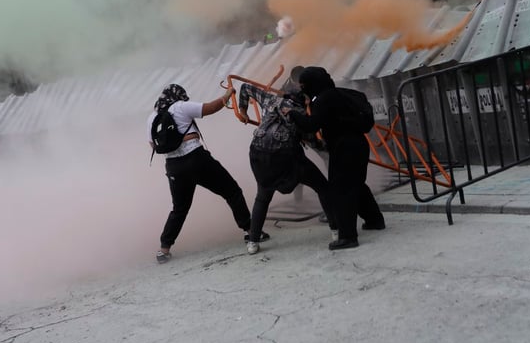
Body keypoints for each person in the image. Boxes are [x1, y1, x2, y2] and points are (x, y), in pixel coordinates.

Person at [148, 84, 263, 264]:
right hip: (196, 159)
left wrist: (174, 142)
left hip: (174, 167)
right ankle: (252, 232)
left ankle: (164, 249)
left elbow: (154, 146)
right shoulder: (180, 107)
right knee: (231, 191)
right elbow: (210, 108)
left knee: (179, 209)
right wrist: (227, 95)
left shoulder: (152, 117)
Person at [287, 67, 385, 250]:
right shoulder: (340, 94)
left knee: (342, 191)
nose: (302, 89)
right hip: (358, 145)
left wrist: (292, 114)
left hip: (344, 148)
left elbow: (311, 125)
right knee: (356, 184)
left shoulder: (324, 99)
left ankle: (347, 236)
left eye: (304, 85)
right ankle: (374, 220)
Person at [235, 82, 338, 255]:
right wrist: (330, 146)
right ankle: (336, 230)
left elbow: (245, 87)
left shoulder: (270, 100)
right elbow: (313, 142)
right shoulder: (301, 113)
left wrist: (243, 110)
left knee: (263, 196)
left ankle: (252, 242)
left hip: (258, 154)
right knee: (322, 186)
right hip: (285, 157)